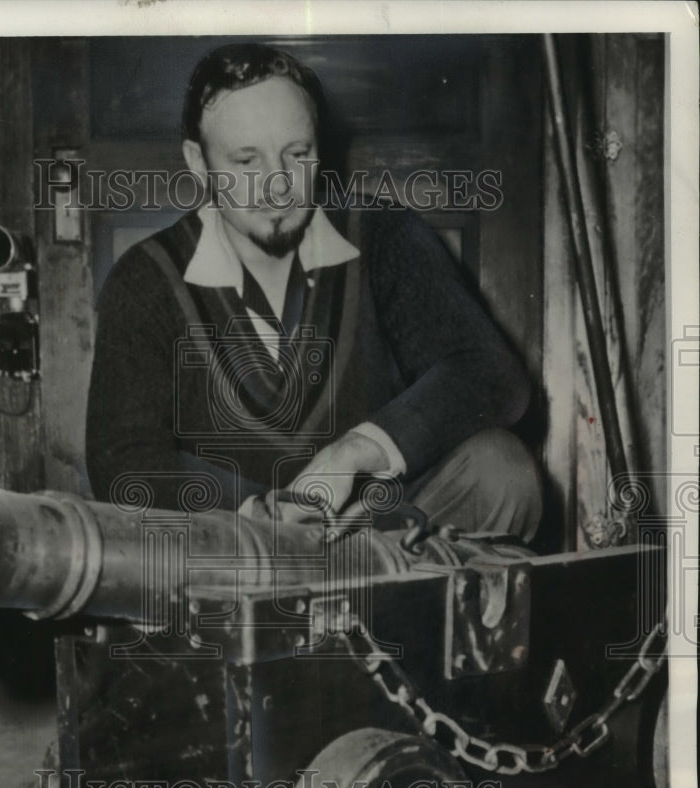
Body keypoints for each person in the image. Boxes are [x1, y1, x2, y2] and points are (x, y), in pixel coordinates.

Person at [86, 42, 543, 542]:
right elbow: (124, 460)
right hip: (237, 547)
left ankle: (418, 616)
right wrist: (253, 512)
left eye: (297, 154)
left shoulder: (385, 234)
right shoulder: (144, 279)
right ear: (199, 162)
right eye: (246, 162)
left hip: (379, 538)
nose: (277, 186)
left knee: (502, 472)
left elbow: (490, 372)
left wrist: (356, 450)